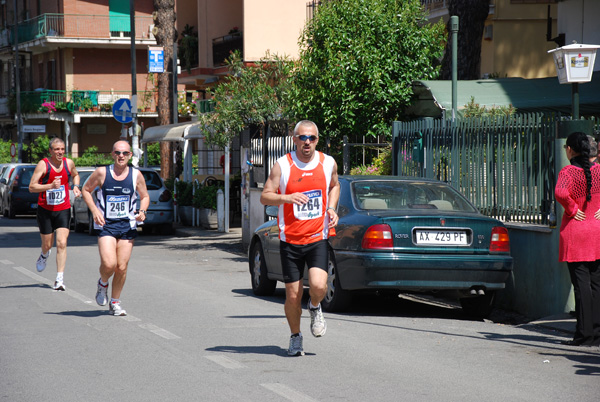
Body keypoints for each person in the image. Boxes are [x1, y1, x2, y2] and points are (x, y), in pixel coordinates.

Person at [260, 120, 340, 356]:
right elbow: (265, 196)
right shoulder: (282, 165)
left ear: (317, 140)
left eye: (312, 138)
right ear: (294, 139)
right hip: (290, 240)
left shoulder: (328, 163)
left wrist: (332, 208)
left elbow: (334, 186)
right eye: (302, 138)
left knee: (318, 286)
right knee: (293, 295)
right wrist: (287, 198)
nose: (307, 142)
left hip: (317, 236)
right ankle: (295, 337)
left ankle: (315, 306)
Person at [81, 140, 149, 316]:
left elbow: (145, 196)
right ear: (112, 154)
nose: (121, 156)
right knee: (109, 264)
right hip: (106, 225)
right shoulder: (102, 173)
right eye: (118, 153)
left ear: (130, 156)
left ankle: (115, 302)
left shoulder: (136, 175)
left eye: (125, 153)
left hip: (127, 225)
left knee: (122, 267)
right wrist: (95, 210)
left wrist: (142, 210)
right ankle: (103, 283)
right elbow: (86, 190)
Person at [555, 132, 600, 347]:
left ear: (571, 150)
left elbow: (560, 192)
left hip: (577, 233)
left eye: (566, 147)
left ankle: (584, 334)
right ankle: (597, 332)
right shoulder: (599, 170)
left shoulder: (568, 171)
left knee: (581, 286)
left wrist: (572, 209)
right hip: (597, 232)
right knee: (596, 284)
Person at [29, 137, 80, 291]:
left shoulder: (68, 163)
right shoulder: (43, 165)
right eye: (57, 149)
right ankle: (44, 254)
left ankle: (59, 279)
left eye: (62, 149)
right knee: (47, 244)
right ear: (50, 151)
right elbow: (32, 187)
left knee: (62, 243)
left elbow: (75, 174)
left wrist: (76, 186)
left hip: (63, 208)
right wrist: (50, 186)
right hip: (45, 210)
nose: (60, 152)